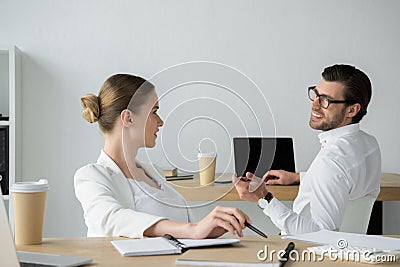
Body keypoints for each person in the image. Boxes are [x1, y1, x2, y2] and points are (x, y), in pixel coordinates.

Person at [75, 74, 250, 239]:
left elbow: (181, 231)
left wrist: (207, 229)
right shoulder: (91, 176)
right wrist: (194, 230)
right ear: (128, 118)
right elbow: (112, 219)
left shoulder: (154, 172)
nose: (161, 121)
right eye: (154, 111)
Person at [234, 64, 381, 235]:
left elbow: (321, 234)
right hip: (350, 249)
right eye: (316, 94)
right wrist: (301, 177)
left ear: (352, 110)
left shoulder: (330, 162)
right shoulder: (369, 144)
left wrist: (264, 197)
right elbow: (343, 182)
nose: (314, 105)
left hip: (307, 254)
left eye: (325, 100)